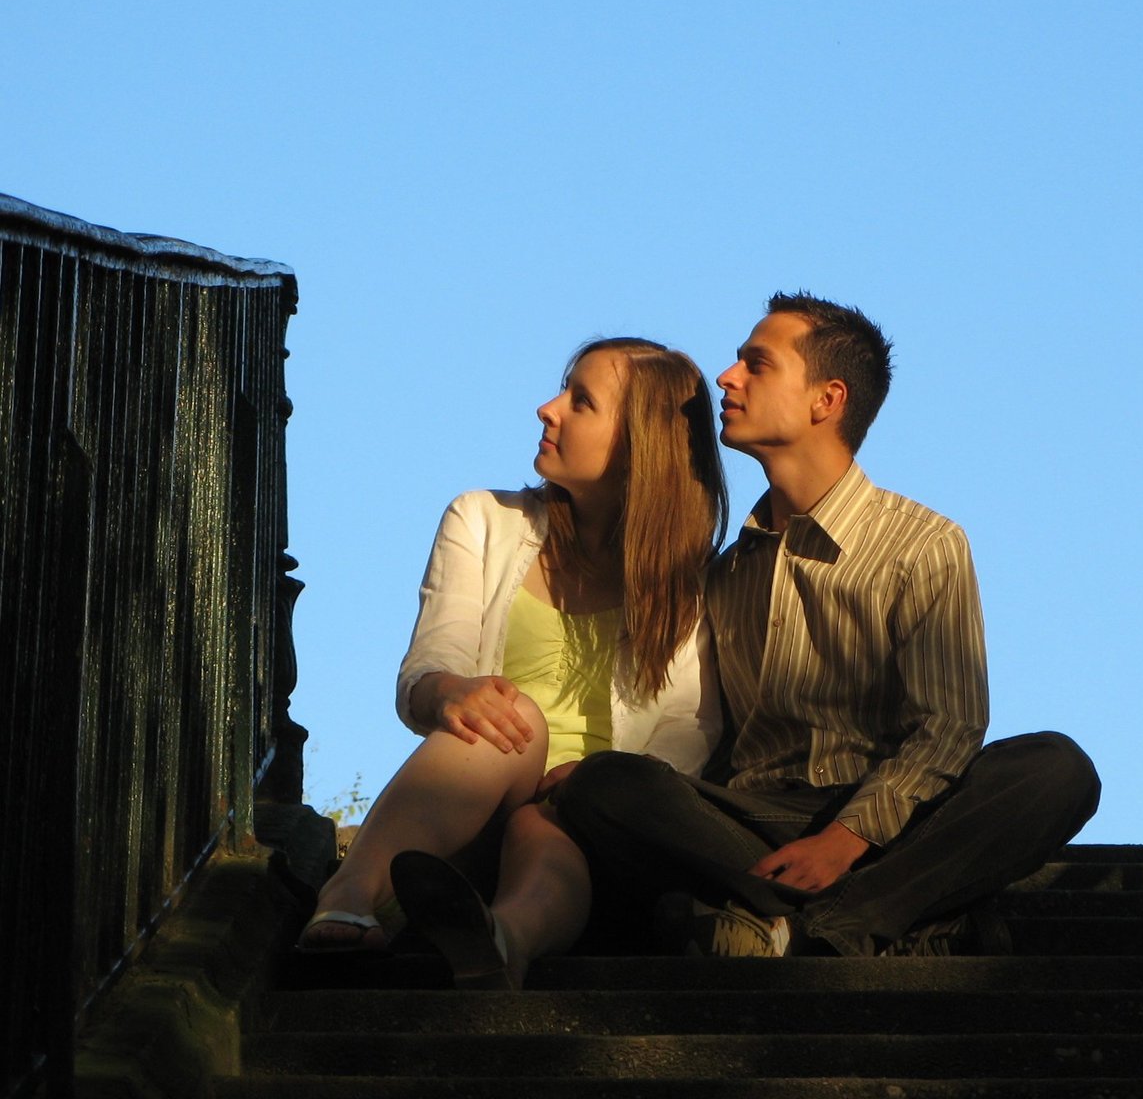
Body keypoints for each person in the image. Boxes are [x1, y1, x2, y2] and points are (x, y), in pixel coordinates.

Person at [558, 293, 1101, 957]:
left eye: (757, 364)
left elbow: (949, 727)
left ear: (826, 400)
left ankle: (820, 925)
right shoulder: (726, 573)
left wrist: (846, 840)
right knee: (606, 786)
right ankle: (905, 921)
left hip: (893, 821)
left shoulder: (921, 543)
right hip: (758, 821)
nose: (727, 378)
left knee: (1056, 769)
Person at [295, 337, 728, 986]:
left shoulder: (693, 587)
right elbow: (427, 668)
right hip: (475, 799)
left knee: (546, 820)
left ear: (640, 445)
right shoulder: (483, 519)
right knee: (507, 715)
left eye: (580, 402)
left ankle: (500, 940)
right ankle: (350, 893)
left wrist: (591, 781)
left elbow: (687, 742)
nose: (547, 409)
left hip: (596, 837)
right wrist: (448, 693)